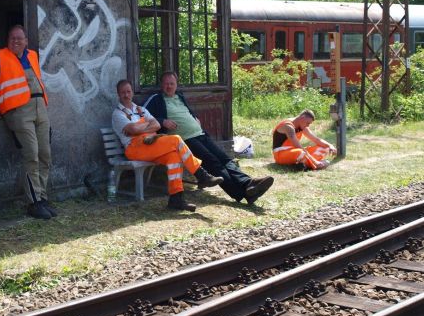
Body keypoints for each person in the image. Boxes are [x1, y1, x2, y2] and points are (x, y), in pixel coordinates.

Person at [144, 72, 274, 204]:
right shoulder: (156, 99)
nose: (169, 86)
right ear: (162, 85)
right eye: (166, 83)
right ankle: (243, 192)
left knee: (225, 159)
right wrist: (162, 121)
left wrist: (195, 119)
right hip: (184, 140)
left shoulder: (180, 97)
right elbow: (142, 115)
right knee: (213, 163)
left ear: (177, 85)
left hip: (200, 134)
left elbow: (188, 112)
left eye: (172, 83)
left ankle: (247, 183)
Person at [112, 79, 224, 212]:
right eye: (123, 92)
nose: (126, 95)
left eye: (128, 91)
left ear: (132, 93)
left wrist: (139, 127)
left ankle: (176, 199)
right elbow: (133, 130)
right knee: (176, 139)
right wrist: (146, 126)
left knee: (174, 157)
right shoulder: (117, 114)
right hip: (135, 148)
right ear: (118, 94)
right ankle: (201, 175)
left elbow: (157, 125)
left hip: (151, 144)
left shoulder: (140, 109)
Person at [0, 25, 55, 220]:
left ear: (26, 41)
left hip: (40, 107)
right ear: (8, 40)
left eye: (20, 38)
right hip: (18, 111)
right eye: (12, 38)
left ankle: (42, 197)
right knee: (31, 154)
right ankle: (33, 203)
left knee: (45, 154)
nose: (16, 41)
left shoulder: (32, 56)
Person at [272, 109, 337, 170]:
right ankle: (313, 165)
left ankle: (303, 164)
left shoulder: (302, 125)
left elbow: (316, 139)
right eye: (307, 123)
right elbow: (298, 146)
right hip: (281, 154)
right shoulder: (288, 126)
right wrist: (315, 161)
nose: (308, 126)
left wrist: (330, 145)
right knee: (301, 152)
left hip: (295, 151)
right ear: (302, 118)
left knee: (324, 148)